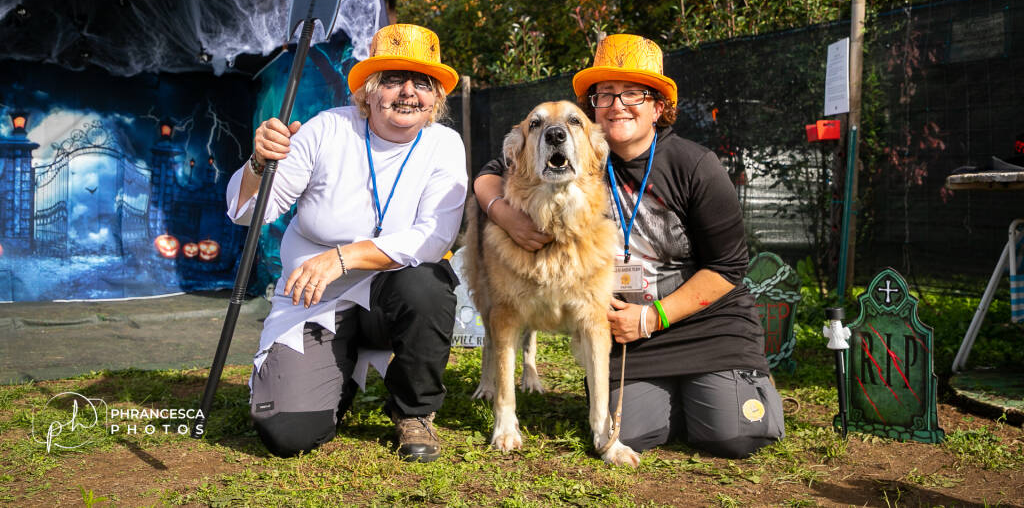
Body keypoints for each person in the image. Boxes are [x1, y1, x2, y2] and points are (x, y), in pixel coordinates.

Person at [474, 34, 784, 459]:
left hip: (703, 323)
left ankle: (717, 391)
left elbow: (729, 267)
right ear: (593, 111)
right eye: (605, 94)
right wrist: (504, 213)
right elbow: (496, 171)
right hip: (630, 334)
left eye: (634, 93)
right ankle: (682, 398)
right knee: (635, 432)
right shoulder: (579, 150)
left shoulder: (696, 166)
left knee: (733, 435)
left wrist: (654, 316)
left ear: (659, 106)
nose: (618, 104)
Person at [227, 23, 468, 461]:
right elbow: (248, 214)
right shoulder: (326, 130)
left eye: (423, 82)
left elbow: (434, 237)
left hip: (391, 296)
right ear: (370, 91)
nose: (408, 92)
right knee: (287, 433)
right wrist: (259, 165)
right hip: (314, 298)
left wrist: (345, 257)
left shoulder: (445, 144)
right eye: (393, 79)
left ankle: (414, 411)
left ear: (436, 98)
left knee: (427, 284)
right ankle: (336, 369)